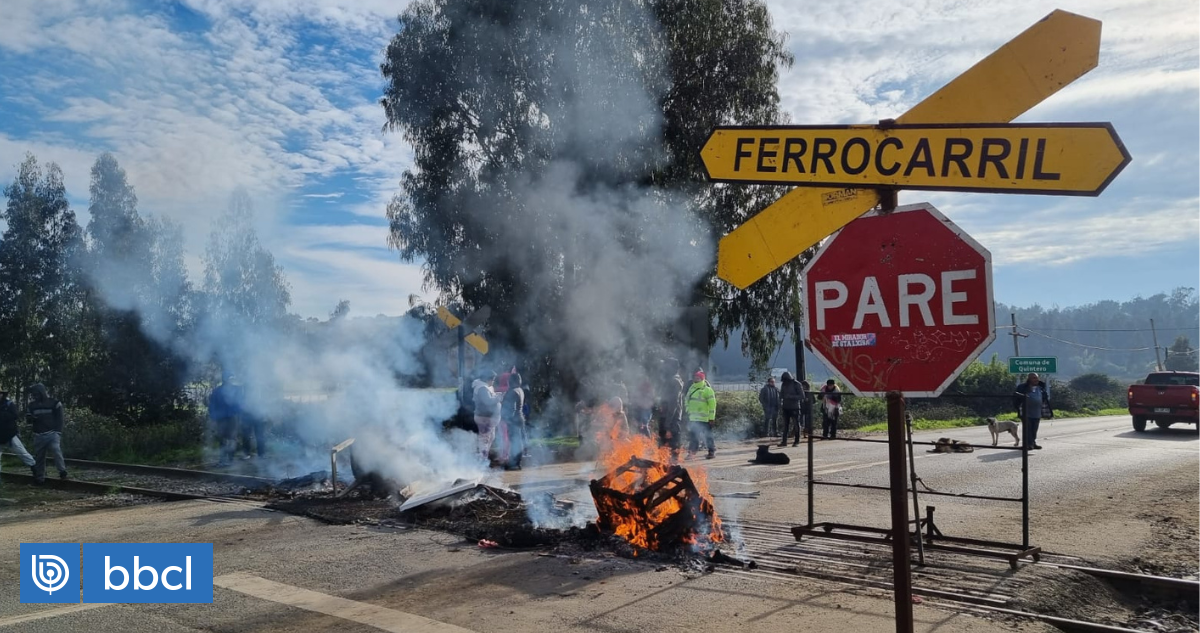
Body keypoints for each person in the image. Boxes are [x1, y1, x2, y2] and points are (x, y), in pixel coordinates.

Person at [26, 383, 68, 483]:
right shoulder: (31, 405)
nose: (35, 396)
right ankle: (40, 478)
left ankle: (62, 472)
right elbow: (28, 419)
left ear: (42, 393)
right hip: (38, 435)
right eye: (33, 394)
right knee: (39, 457)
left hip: (52, 434)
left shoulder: (54, 403)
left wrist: (58, 432)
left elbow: (60, 419)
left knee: (56, 450)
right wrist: (31, 419)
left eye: (37, 394)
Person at [208, 372, 243, 466]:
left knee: (232, 438)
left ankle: (230, 459)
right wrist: (213, 417)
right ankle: (223, 459)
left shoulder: (236, 390)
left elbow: (240, 403)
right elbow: (212, 405)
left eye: (232, 378)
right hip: (221, 418)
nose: (231, 380)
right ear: (225, 379)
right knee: (222, 439)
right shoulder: (217, 391)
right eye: (229, 378)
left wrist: (238, 413)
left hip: (232, 417)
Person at [1, 388, 37, 479]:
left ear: (2, 394)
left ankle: (35, 469)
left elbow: (15, 415)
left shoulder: (9, 404)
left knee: (22, 452)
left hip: (10, 434)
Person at [655, 360, 685, 459]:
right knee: (663, 452)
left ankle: (671, 473)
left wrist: (668, 427)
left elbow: (673, 404)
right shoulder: (669, 380)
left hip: (671, 421)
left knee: (671, 452)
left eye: (666, 366)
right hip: (666, 419)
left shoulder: (674, 381)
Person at [1013, 372, 1051, 450]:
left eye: (1037, 377)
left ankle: (1033, 443)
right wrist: (1017, 407)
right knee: (1027, 430)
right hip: (1026, 412)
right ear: (1029, 379)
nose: (1036, 379)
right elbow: (1016, 398)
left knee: (1034, 430)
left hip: (1037, 413)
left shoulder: (1040, 388)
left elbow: (1044, 398)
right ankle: (1027, 445)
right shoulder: (1023, 388)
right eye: (1034, 378)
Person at [685, 370, 717, 459]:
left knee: (708, 436)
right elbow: (686, 400)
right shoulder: (691, 388)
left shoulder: (708, 390)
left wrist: (711, 418)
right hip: (693, 418)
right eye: (695, 377)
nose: (696, 379)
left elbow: (712, 405)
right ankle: (691, 453)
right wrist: (688, 410)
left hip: (705, 419)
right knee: (693, 437)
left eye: (698, 377)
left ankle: (711, 452)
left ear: (702, 379)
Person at [472, 371, 503, 462]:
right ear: (487, 379)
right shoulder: (482, 388)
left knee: (490, 437)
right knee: (485, 439)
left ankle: (483, 458)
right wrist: (498, 397)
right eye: (492, 380)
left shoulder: (485, 387)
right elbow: (487, 401)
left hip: (488, 417)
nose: (493, 382)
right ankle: (482, 460)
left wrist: (496, 395)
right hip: (484, 418)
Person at [500, 373, 526, 470]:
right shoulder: (520, 390)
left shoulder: (512, 392)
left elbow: (512, 408)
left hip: (514, 419)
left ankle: (514, 463)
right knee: (518, 441)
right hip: (519, 418)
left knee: (515, 442)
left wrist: (508, 419)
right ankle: (517, 462)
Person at [778, 372, 803, 447]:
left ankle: (797, 441)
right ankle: (784, 441)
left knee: (796, 424)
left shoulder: (797, 384)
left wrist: (791, 396)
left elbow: (802, 396)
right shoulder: (783, 384)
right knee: (785, 425)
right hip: (786, 407)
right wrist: (780, 399)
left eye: (786, 380)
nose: (785, 381)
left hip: (795, 407)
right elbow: (781, 394)